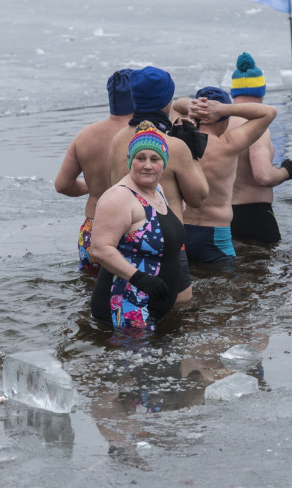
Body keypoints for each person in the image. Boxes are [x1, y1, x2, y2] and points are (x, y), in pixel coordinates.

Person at [109, 66, 208, 303]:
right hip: (167, 247)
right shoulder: (173, 146)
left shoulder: (118, 140)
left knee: (132, 313)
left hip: (126, 246)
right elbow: (198, 198)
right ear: (167, 101)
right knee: (176, 316)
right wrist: (193, 155)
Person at [91, 122, 184, 332]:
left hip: (151, 307)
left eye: (155, 159)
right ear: (130, 160)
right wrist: (138, 278)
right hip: (127, 307)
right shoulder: (119, 197)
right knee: (138, 366)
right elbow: (100, 248)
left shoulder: (157, 189)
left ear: (165, 163)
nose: (148, 165)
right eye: (140, 158)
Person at [172, 85, 277, 262]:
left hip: (181, 231)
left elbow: (176, 106)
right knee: (227, 285)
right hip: (215, 234)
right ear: (223, 119)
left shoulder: (177, 138)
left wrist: (195, 106)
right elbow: (269, 112)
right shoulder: (228, 144)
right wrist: (222, 109)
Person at [54, 69, 134, 275]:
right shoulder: (144, 135)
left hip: (92, 231)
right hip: (131, 231)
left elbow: (62, 185)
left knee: (91, 292)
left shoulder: (85, 135)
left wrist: (93, 185)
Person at [226, 53, 292, 245]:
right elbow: (263, 176)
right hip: (254, 214)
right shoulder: (256, 125)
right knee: (260, 272)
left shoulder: (218, 124)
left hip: (222, 216)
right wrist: (286, 172)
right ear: (261, 92)